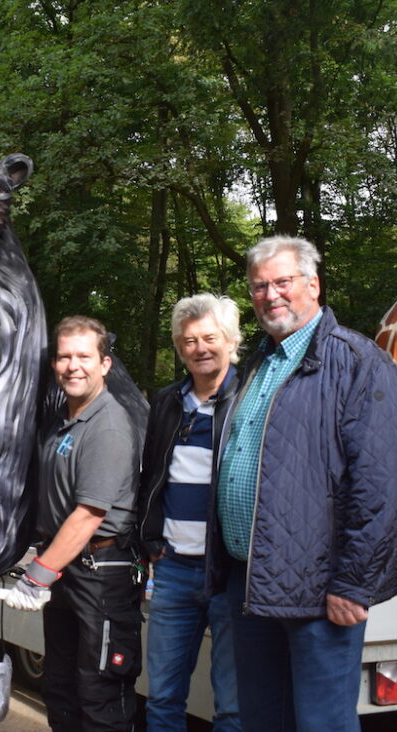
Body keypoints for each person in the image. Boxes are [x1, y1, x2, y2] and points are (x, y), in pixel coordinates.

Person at [209, 236, 397, 731]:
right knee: (261, 720)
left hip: (321, 590)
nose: (270, 295)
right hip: (251, 582)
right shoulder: (255, 367)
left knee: (322, 724)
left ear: (313, 284)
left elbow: (381, 490)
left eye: (283, 282)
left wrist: (354, 585)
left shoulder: (360, 364)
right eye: (259, 286)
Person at [6, 315, 142, 731]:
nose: (73, 366)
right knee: (60, 690)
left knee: (99, 696)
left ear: (105, 365)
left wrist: (37, 576)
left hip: (102, 576)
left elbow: (88, 515)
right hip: (68, 573)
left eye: (84, 356)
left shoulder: (108, 425)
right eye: (64, 357)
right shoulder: (64, 421)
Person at [138, 295, 242, 732]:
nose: (200, 348)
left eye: (209, 338)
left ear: (231, 341)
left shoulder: (251, 398)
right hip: (174, 570)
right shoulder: (166, 402)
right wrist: (149, 537)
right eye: (189, 341)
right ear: (180, 349)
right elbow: (150, 478)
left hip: (231, 574)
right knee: (162, 696)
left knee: (234, 706)